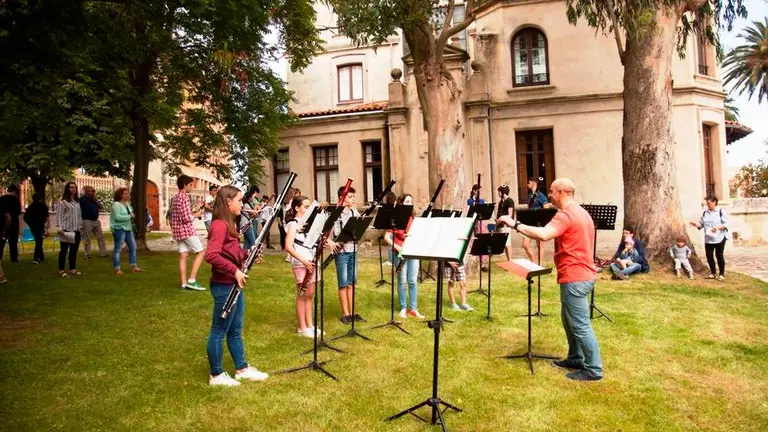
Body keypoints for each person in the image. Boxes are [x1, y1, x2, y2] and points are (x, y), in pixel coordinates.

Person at [498, 178, 602, 381]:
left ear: (562, 192)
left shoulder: (566, 215)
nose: (550, 195)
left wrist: (515, 224)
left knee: (580, 325)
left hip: (575, 277)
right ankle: (575, 358)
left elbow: (545, 234)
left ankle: (593, 370)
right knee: (569, 319)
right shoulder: (582, 212)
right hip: (580, 275)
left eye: (553, 191)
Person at [205, 185, 269, 386]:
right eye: (239, 200)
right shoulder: (219, 225)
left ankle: (241, 368)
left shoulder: (228, 225)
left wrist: (248, 255)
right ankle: (216, 375)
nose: (242, 204)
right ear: (228, 201)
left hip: (234, 284)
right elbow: (212, 255)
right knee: (218, 330)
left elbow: (233, 253)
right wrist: (234, 271)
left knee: (235, 329)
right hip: (224, 285)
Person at [284, 195, 323, 337]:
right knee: (302, 294)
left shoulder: (309, 224)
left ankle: (310, 325)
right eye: (306, 207)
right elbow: (288, 246)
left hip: (311, 260)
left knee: (310, 295)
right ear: (296, 208)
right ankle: (302, 327)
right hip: (301, 263)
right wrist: (304, 261)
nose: (308, 209)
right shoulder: (293, 224)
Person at [384, 193, 425, 320]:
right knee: (402, 281)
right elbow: (387, 237)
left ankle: (413, 308)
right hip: (400, 253)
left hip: (413, 252)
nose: (409, 203)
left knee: (412, 281)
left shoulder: (413, 218)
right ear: (401, 203)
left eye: (411, 201)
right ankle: (403, 308)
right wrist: (396, 246)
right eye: (407, 201)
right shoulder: (396, 217)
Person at [327, 186, 361, 324]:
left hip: (353, 250)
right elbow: (325, 232)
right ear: (342, 197)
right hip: (341, 252)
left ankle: (352, 313)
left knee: (351, 282)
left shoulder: (355, 213)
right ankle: (345, 313)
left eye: (353, 197)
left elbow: (359, 229)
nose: (353, 199)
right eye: (350, 197)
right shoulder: (336, 213)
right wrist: (330, 242)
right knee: (343, 283)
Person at [171, 175, 206, 291]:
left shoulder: (175, 197)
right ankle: (192, 280)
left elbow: (179, 215)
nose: (192, 187)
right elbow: (186, 218)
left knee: (183, 256)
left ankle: (183, 284)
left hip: (177, 231)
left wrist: (193, 214)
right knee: (201, 252)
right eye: (190, 185)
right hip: (186, 230)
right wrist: (197, 214)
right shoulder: (185, 197)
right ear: (185, 185)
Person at [689, 195, 729, 280]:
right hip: (708, 238)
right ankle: (713, 273)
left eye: (709, 202)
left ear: (714, 202)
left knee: (719, 255)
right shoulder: (705, 213)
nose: (708, 204)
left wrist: (717, 227)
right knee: (709, 256)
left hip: (720, 237)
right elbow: (701, 225)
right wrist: (696, 224)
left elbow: (726, 224)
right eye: (707, 203)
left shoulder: (721, 211)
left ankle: (721, 274)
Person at [110, 187, 142, 275]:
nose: (128, 195)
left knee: (133, 247)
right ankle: (117, 269)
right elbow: (117, 218)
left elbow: (130, 214)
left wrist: (131, 216)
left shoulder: (127, 204)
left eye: (128, 193)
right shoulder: (116, 205)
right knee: (118, 249)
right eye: (125, 193)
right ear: (120, 195)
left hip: (128, 228)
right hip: (119, 228)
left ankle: (134, 266)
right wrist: (130, 216)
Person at [56, 182, 84, 277]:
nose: (73, 189)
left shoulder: (77, 202)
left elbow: (79, 215)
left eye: (74, 188)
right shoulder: (63, 202)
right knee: (63, 251)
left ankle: (72, 269)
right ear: (67, 189)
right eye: (71, 187)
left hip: (76, 229)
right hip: (66, 229)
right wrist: (59, 227)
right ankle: (61, 270)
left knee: (73, 251)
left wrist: (81, 226)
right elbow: (59, 215)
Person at [522, 177, 549, 264]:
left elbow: (546, 209)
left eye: (529, 183)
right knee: (525, 245)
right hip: (530, 222)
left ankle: (540, 264)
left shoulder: (541, 195)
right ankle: (533, 261)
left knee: (540, 244)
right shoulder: (530, 196)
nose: (527, 184)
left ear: (534, 183)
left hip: (539, 223)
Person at [79, 185, 108, 259]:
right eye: (90, 191)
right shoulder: (82, 199)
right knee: (87, 238)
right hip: (86, 220)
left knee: (101, 237)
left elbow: (101, 207)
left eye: (92, 191)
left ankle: (103, 253)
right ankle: (87, 254)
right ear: (86, 192)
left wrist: (96, 200)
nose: (92, 192)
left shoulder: (94, 200)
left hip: (96, 221)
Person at [467, 184, 488, 271]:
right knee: (472, 240)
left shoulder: (482, 201)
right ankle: (473, 260)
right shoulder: (469, 200)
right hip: (472, 221)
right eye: (479, 191)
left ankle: (483, 262)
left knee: (484, 238)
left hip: (480, 221)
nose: (481, 192)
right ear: (475, 191)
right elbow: (469, 207)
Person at [23, 193, 49, 264]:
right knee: (39, 241)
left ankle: (41, 256)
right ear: (40, 198)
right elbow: (47, 217)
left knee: (39, 240)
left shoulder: (30, 207)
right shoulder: (43, 206)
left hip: (33, 226)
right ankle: (35, 258)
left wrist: (30, 224)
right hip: (40, 225)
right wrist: (47, 226)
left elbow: (25, 218)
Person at [0, 184, 22, 262]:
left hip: (2, 224)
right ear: (15, 192)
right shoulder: (16, 201)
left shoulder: (1, 199)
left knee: (1, 242)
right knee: (13, 242)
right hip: (14, 225)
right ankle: (14, 258)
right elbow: (18, 215)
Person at [495, 184, 516, 261]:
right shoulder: (501, 201)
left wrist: (503, 220)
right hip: (500, 224)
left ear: (502, 192)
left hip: (505, 225)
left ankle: (510, 260)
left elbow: (510, 214)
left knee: (507, 244)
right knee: (503, 243)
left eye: (499, 192)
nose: (498, 194)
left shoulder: (509, 201)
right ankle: (508, 260)